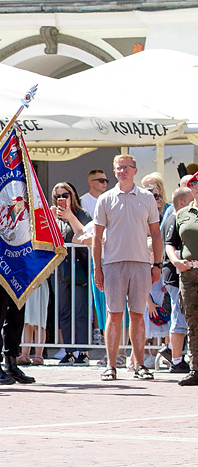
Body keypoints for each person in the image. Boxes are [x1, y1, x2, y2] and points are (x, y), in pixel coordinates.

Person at [92, 154, 163, 380]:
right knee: (114, 315)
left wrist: (157, 263)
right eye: (118, 168)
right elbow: (96, 236)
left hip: (141, 263)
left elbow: (155, 232)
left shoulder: (147, 198)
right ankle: (111, 366)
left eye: (126, 167)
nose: (122, 171)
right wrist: (97, 268)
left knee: (138, 315)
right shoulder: (105, 198)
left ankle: (139, 365)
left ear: (135, 170)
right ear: (114, 172)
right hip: (112, 263)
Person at [51, 182, 91, 364]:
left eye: (65, 195)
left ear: (72, 196)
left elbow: (85, 235)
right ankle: (69, 350)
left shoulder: (81, 214)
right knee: (64, 311)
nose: (62, 199)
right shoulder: (53, 216)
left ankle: (82, 351)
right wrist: (50, 220)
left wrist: (70, 217)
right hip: (60, 270)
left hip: (79, 268)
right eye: (58, 196)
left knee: (80, 310)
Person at [166, 172, 198, 385]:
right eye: (194, 184)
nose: (197, 187)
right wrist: (175, 262)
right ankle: (196, 369)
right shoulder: (182, 214)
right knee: (193, 323)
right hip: (189, 273)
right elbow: (171, 243)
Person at [160, 185, 195, 374]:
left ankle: (173, 353)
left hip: (176, 273)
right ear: (181, 202)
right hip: (176, 275)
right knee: (179, 317)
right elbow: (170, 245)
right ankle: (175, 358)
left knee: (181, 316)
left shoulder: (172, 216)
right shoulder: (175, 217)